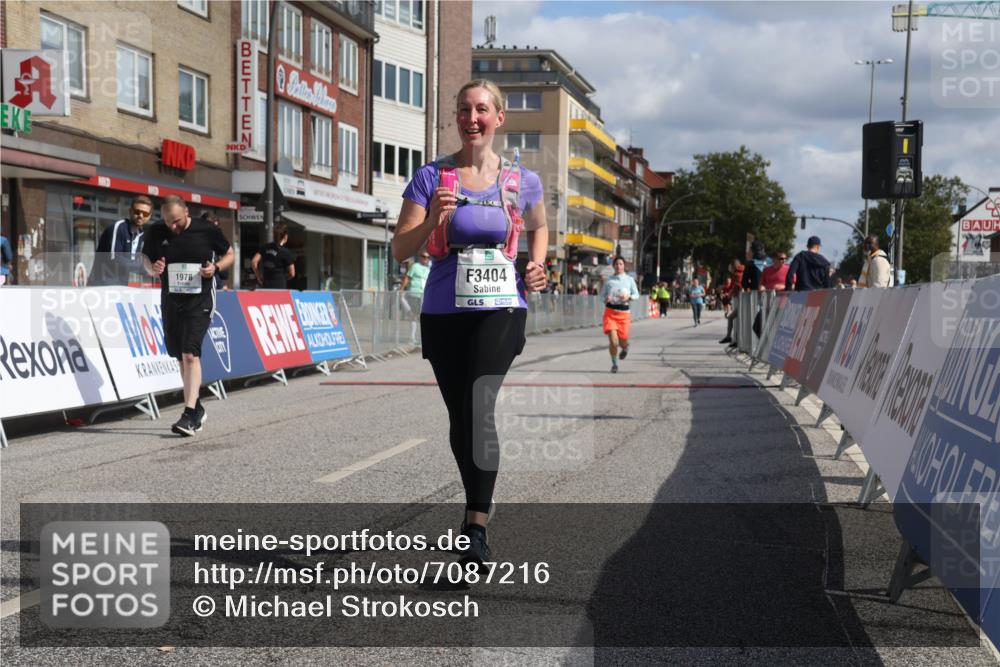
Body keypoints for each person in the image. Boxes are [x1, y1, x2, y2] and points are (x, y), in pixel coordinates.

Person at [391, 79, 548, 567]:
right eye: (463, 110)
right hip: (443, 310)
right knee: (461, 418)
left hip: (502, 306)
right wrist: (432, 220)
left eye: (482, 109)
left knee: (480, 405)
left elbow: (539, 226)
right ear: (457, 118)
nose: (472, 118)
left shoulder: (523, 180)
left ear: (499, 118)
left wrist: (539, 265)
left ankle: (475, 527)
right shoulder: (431, 177)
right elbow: (400, 247)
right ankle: (477, 503)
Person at [142, 195, 234, 437]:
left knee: (190, 354)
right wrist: (153, 268)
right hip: (171, 301)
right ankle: (197, 408)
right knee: (179, 357)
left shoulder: (206, 230)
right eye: (168, 223)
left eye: (178, 222)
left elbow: (230, 254)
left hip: (200, 300)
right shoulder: (156, 232)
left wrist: (215, 269)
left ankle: (189, 413)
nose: (173, 228)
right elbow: (145, 259)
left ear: (187, 213)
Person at [90, 195, 152, 286]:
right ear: (130, 211)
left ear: (149, 216)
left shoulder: (141, 235)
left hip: (121, 285)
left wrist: (153, 270)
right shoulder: (119, 227)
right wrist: (145, 268)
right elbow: (115, 258)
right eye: (137, 212)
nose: (140, 216)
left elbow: (131, 262)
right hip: (102, 285)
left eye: (145, 214)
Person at [601, 256, 639, 373]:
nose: (618, 266)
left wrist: (629, 297)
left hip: (624, 314)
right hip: (610, 313)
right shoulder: (609, 281)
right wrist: (606, 299)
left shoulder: (629, 280)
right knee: (613, 342)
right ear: (613, 266)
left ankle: (626, 347)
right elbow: (602, 296)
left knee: (623, 340)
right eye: (616, 264)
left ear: (624, 266)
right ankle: (614, 364)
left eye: (621, 264)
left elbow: (636, 295)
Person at [252, 222, 296, 289]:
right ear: (285, 236)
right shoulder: (286, 252)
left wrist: (258, 276)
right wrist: (284, 278)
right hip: (280, 286)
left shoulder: (266, 247)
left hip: (266, 285)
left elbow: (254, 261)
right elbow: (292, 274)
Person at [400, 250, 431, 343]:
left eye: (427, 257)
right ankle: (412, 338)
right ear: (420, 257)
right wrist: (402, 288)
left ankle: (422, 338)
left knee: (422, 316)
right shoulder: (415, 266)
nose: (425, 259)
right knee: (413, 316)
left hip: (424, 295)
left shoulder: (429, 269)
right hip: (414, 293)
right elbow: (407, 277)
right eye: (423, 256)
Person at [200, 211, 229, 290]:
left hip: (215, 277)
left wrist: (223, 283)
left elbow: (226, 257)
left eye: (216, 227)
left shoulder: (219, 239)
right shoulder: (196, 239)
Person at [718, 259, 744, 344]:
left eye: (731, 267)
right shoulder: (740, 272)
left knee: (732, 318)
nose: (730, 269)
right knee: (737, 320)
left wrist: (729, 294)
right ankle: (735, 339)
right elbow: (733, 286)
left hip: (743, 300)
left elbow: (737, 285)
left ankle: (731, 337)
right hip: (743, 299)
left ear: (734, 266)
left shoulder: (737, 274)